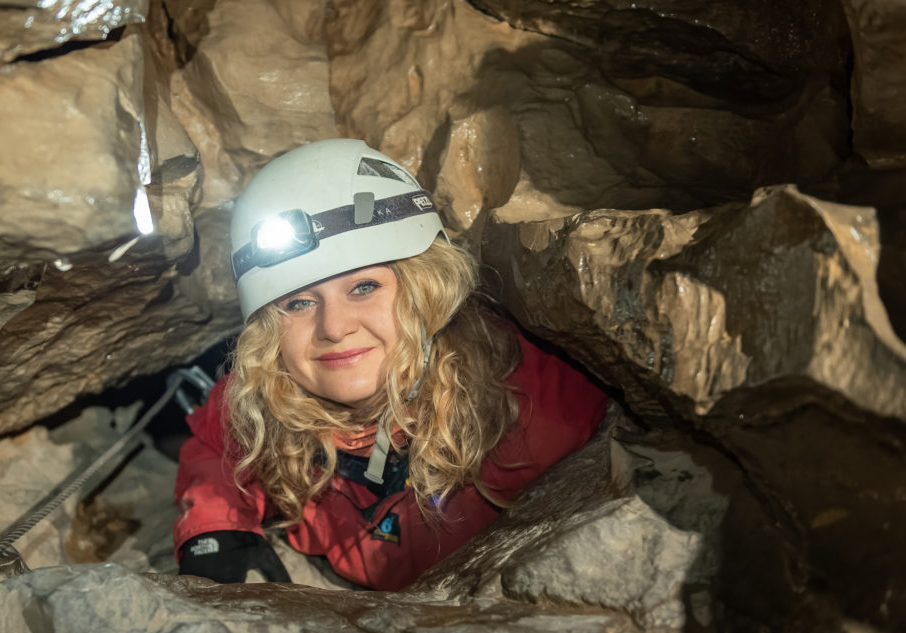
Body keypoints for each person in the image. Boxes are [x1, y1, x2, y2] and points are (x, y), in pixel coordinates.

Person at [173, 139, 607, 591]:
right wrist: (214, 531)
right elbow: (212, 443)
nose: (334, 327)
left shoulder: (530, 404)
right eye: (298, 302)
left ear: (425, 290)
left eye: (363, 287)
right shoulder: (267, 399)